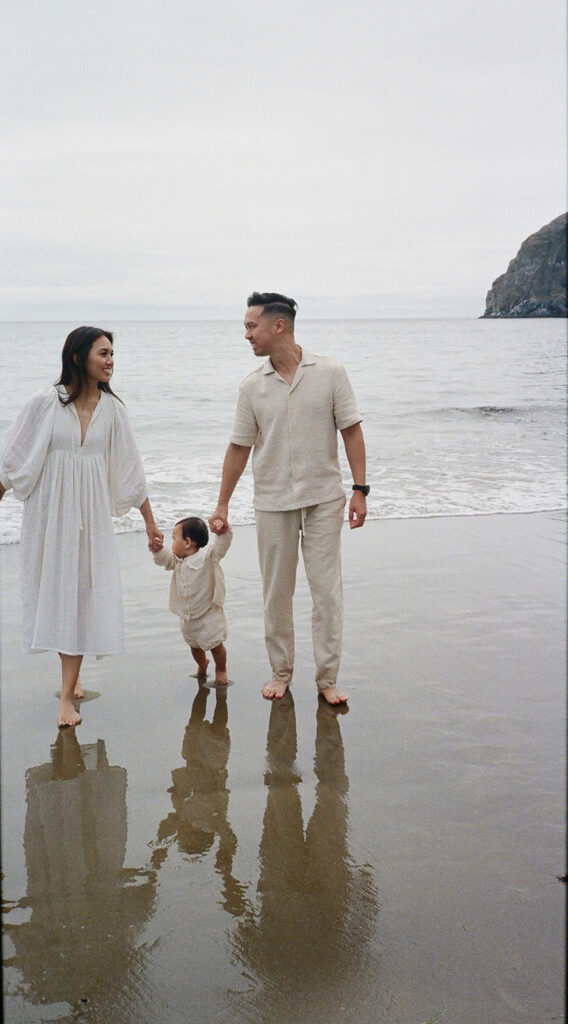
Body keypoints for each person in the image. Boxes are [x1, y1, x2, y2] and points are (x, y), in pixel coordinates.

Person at [209, 291, 369, 705]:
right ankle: (281, 673)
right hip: (272, 502)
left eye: (251, 326)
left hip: (323, 499)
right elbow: (239, 448)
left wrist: (360, 489)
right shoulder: (251, 387)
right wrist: (223, 503)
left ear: (278, 326)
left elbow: (351, 430)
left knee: (327, 592)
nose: (246, 335)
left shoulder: (330, 372)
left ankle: (327, 679)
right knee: (276, 593)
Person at [0, 326, 163, 728]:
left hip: (91, 519)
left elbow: (130, 471)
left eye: (112, 354)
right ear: (78, 357)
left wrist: (150, 524)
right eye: (102, 353)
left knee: (83, 595)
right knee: (57, 594)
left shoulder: (114, 411)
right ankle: (69, 679)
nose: (110, 360)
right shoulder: (45, 403)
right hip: (49, 516)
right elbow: (12, 458)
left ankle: (66, 700)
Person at [152, 516, 232, 684]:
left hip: (208, 613)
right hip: (187, 616)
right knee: (194, 645)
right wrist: (158, 549)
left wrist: (222, 530)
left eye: (174, 539)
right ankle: (202, 663)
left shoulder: (208, 557)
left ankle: (221, 669)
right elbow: (164, 559)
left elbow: (221, 546)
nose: (172, 544)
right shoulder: (177, 560)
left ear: (187, 542)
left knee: (216, 646)